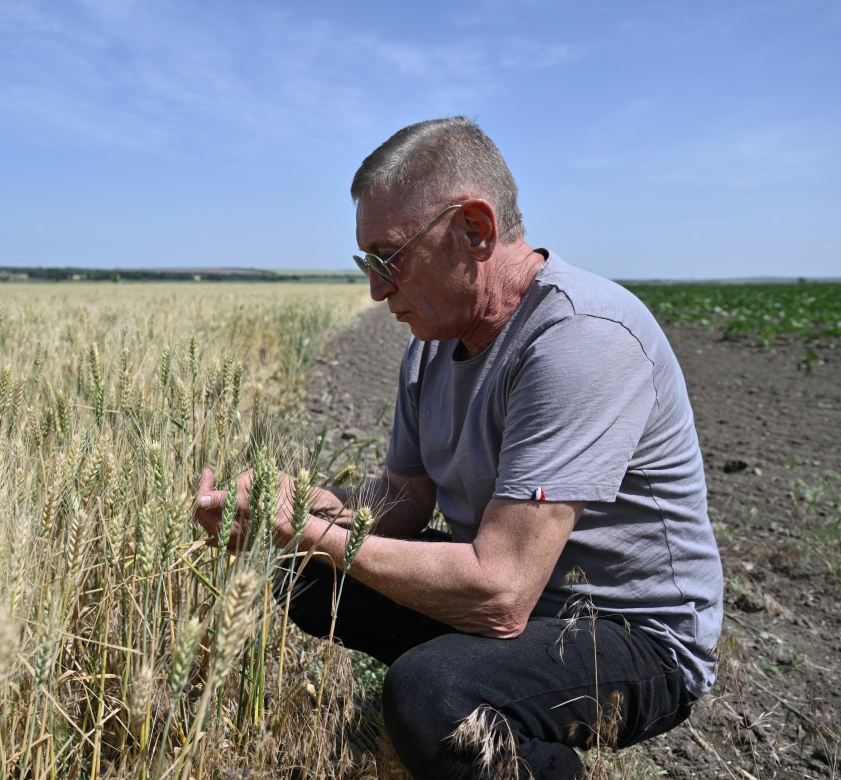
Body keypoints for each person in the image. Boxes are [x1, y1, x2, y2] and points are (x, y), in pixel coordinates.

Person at [195, 116, 724, 779]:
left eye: (388, 258)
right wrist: (295, 509)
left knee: (432, 694)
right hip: (525, 595)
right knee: (302, 572)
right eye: (367, 263)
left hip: (630, 632)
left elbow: (500, 594)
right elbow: (404, 499)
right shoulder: (432, 347)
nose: (376, 289)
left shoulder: (580, 339)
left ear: (475, 230)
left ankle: (481, 716)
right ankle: (480, 725)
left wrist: (311, 532)